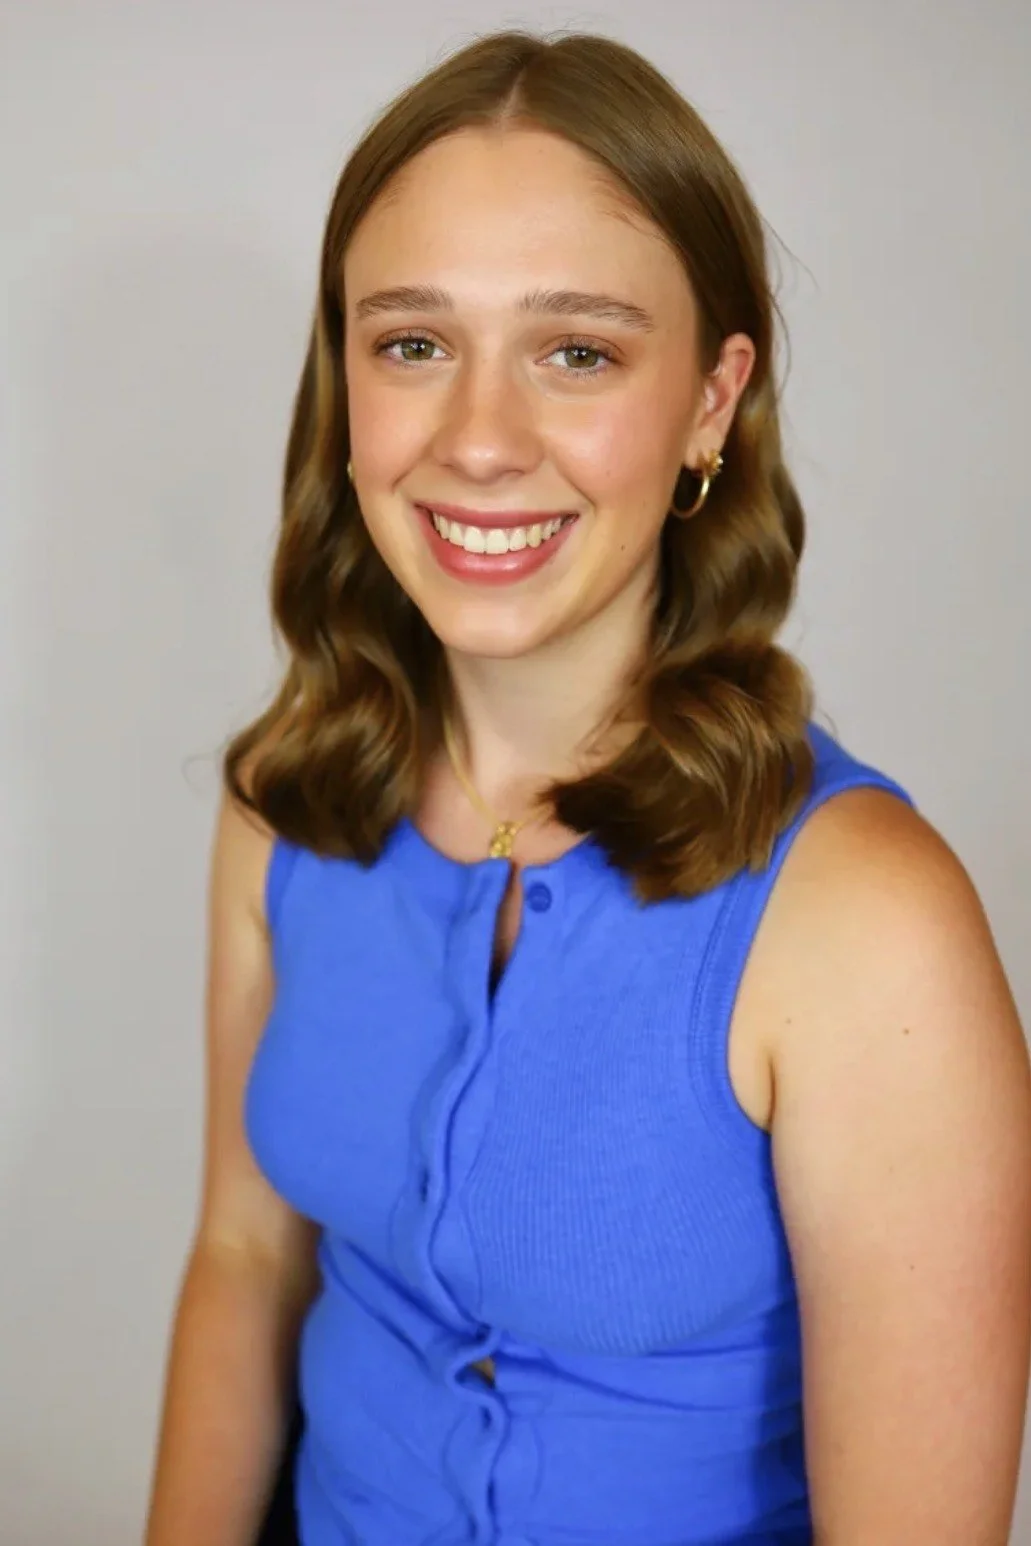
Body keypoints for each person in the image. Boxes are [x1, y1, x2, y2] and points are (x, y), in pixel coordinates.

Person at [144, 28, 1031, 1546]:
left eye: (578, 353)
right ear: (344, 381)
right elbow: (244, 1256)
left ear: (710, 402)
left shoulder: (867, 922)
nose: (480, 442)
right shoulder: (286, 804)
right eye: (411, 344)